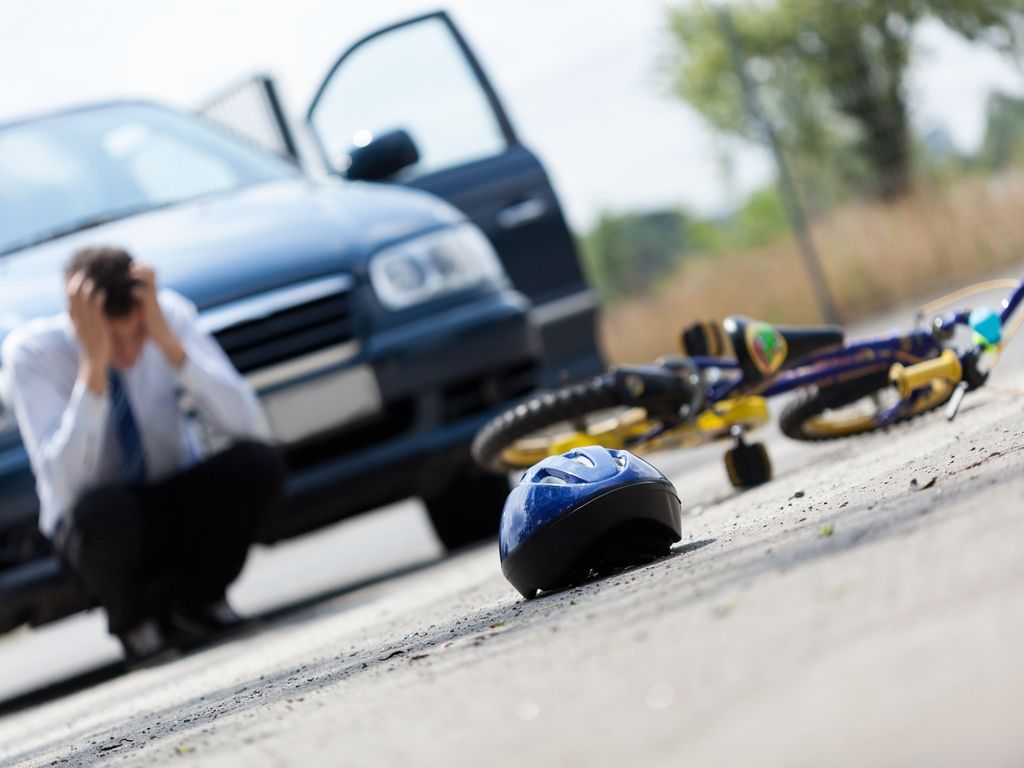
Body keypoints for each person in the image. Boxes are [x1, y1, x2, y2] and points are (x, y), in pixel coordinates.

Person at [1, 246, 285, 666]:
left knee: (257, 465)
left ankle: (200, 603)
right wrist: (93, 369)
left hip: (172, 502)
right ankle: (136, 626)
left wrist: (170, 345)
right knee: (103, 513)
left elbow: (250, 425)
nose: (130, 352)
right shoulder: (33, 353)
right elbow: (68, 486)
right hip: (97, 529)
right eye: (114, 338)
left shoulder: (165, 314)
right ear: (78, 319)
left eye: (137, 336)